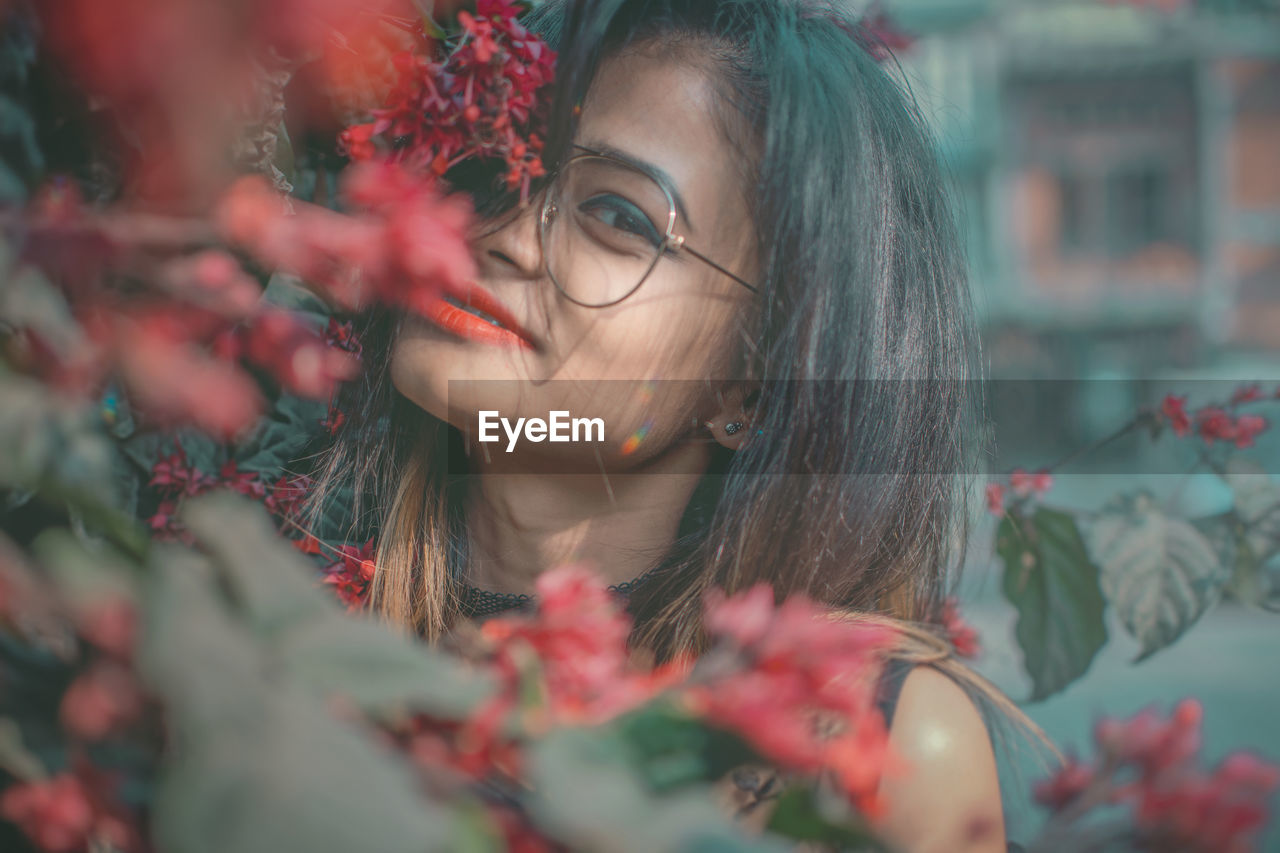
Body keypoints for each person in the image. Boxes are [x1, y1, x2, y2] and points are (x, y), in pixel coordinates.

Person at [313, 1, 1052, 849]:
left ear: (751, 382)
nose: (506, 235)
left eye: (619, 215)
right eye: (496, 171)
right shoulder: (265, 634)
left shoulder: (871, 747)